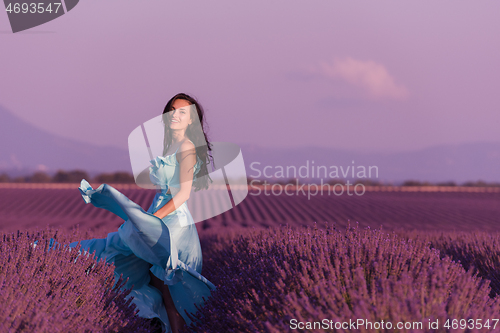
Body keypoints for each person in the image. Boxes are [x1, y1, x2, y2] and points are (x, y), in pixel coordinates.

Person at [71, 93, 216, 333]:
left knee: (173, 301)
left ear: (192, 121)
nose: (175, 115)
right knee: (158, 288)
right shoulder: (173, 146)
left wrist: (152, 221)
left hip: (173, 226)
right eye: (172, 109)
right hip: (158, 218)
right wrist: (149, 219)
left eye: (182, 112)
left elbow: (182, 195)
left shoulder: (188, 147)